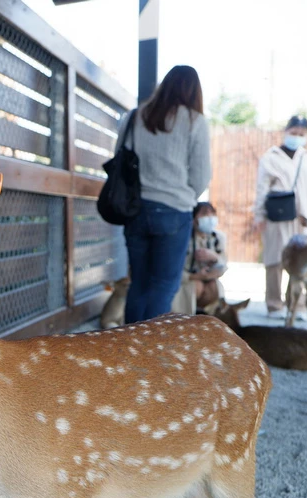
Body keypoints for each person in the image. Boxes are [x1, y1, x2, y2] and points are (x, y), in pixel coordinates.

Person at [119, 65, 212, 323]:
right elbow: (201, 175)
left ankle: (125, 351)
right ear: (194, 91)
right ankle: (149, 355)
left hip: (135, 210)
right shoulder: (195, 121)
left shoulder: (135, 116)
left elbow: (120, 159)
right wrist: (182, 195)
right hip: (173, 212)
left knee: (138, 284)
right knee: (163, 287)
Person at [253, 114, 307, 319]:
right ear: (285, 131)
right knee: (275, 259)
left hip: (305, 218)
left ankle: (298, 306)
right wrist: (259, 215)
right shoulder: (270, 157)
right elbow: (261, 188)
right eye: (293, 133)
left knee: (304, 260)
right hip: (277, 217)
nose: (297, 137)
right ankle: (274, 305)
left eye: (301, 134)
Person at [171, 202, 228, 315]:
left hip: (206, 281)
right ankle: (184, 318)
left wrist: (214, 258)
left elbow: (223, 267)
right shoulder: (183, 238)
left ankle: (208, 316)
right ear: (193, 218)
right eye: (204, 214)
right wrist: (195, 276)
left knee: (215, 287)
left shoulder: (217, 238)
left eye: (212, 213)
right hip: (186, 282)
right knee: (195, 286)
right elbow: (172, 269)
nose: (209, 217)